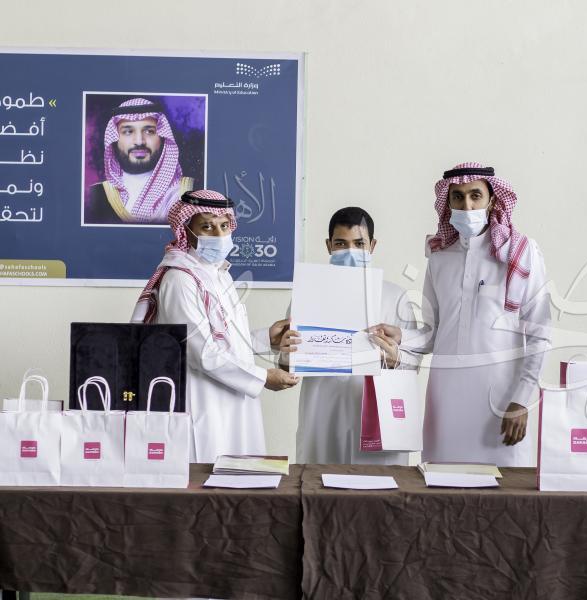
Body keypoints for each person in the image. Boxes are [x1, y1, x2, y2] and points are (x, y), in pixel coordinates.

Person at [373, 162, 552, 467]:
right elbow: (434, 332)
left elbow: (540, 333)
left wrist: (523, 397)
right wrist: (401, 336)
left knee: (505, 489)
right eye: (457, 197)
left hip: (500, 399)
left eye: (475, 196)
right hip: (445, 399)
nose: (467, 205)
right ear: (448, 203)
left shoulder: (521, 252)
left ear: (492, 200)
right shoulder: (439, 257)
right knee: (440, 484)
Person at [131, 189, 299, 463]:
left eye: (224, 225)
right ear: (187, 231)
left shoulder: (220, 275)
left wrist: (265, 339)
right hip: (203, 403)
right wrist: (262, 377)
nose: (219, 234)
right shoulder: (180, 280)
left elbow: (226, 339)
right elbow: (202, 353)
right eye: (207, 227)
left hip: (233, 401)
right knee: (208, 475)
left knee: (241, 476)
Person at [291, 207, 419, 464]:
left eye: (359, 244)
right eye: (341, 243)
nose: (350, 251)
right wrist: (286, 355)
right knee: (320, 481)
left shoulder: (395, 296)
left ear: (372, 245)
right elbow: (288, 358)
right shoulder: (307, 295)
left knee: (379, 485)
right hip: (322, 412)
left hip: (377, 413)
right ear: (329, 246)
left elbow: (413, 360)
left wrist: (395, 358)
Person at [86, 98, 193, 225]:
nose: (139, 141)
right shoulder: (95, 195)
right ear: (114, 139)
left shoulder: (187, 192)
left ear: (163, 137)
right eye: (128, 132)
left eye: (149, 131)